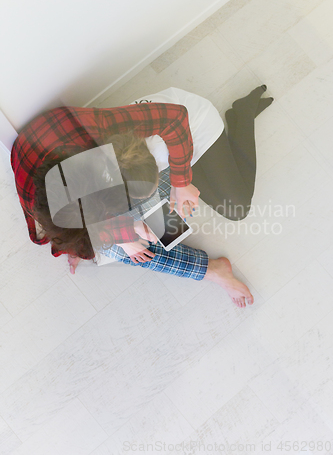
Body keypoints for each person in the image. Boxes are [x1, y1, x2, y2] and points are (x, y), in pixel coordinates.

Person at [10, 85, 273, 308]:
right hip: (116, 163)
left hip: (193, 130)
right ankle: (210, 270)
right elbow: (66, 228)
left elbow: (175, 117)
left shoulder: (107, 133)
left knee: (236, 208)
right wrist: (113, 235)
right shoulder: (41, 200)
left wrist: (182, 182)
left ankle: (242, 115)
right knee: (125, 246)